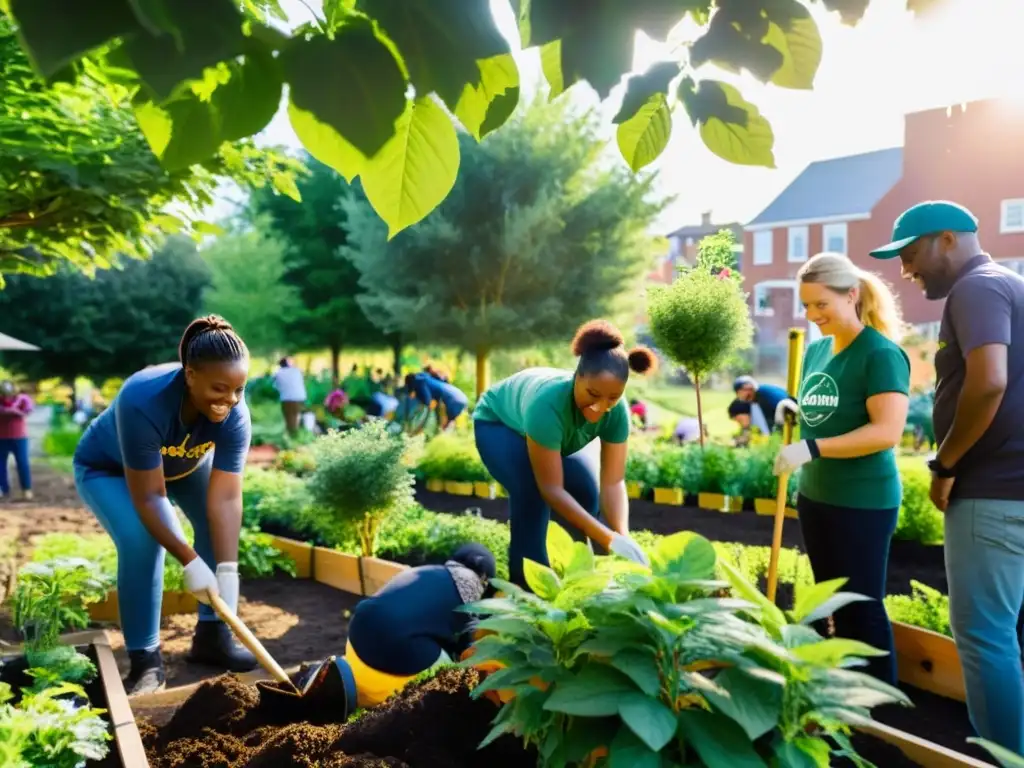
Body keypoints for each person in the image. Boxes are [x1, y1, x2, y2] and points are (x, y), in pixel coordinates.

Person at [870, 201, 1024, 753]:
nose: (907, 270)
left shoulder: (977, 288)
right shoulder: (1012, 285)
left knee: (985, 639)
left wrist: (946, 463)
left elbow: (989, 383)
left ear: (947, 239)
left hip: (993, 492)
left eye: (911, 254)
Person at [72, 315, 258, 695]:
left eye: (239, 389)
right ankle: (145, 661)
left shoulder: (234, 413)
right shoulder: (143, 398)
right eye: (220, 388)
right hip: (109, 469)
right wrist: (190, 561)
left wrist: (226, 569)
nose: (231, 400)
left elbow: (225, 497)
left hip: (183, 467)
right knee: (143, 539)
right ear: (190, 375)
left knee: (213, 522)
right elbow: (150, 496)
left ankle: (212, 637)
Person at [772, 252, 910, 685]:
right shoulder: (816, 350)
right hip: (817, 496)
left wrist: (810, 447)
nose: (813, 315)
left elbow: (885, 432)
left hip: (863, 501)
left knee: (862, 605)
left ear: (852, 295)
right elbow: (827, 407)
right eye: (807, 305)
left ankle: (882, 713)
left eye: (821, 305)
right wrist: (793, 408)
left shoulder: (880, 354)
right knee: (830, 601)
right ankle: (845, 697)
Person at [472, 319, 653, 589]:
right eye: (592, 394)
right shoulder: (547, 405)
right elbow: (551, 489)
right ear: (577, 377)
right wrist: (608, 539)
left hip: (544, 432)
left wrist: (621, 535)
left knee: (586, 492)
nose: (599, 408)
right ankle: (527, 592)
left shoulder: (616, 412)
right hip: (499, 424)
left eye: (612, 398)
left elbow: (613, 481)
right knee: (531, 492)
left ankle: (578, 582)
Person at [344, 543, 495, 707]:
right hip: (394, 652)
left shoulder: (424, 571)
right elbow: (466, 648)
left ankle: (361, 694)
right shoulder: (469, 590)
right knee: (458, 675)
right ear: (484, 579)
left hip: (356, 639)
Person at [0, 381, 34, 501]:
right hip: (1, 437)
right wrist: (5, 410)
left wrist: (16, 411)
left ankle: (26, 489)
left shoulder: (23, 399)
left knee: (22, 463)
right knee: (0, 465)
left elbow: (29, 410)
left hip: (19, 436)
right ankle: (3, 489)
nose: (6, 396)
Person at [273, 356, 307, 436]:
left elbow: (275, 386)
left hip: (286, 398)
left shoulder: (278, 373)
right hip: (299, 397)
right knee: (296, 415)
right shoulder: (297, 371)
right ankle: (296, 433)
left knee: (288, 416)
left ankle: (291, 434)